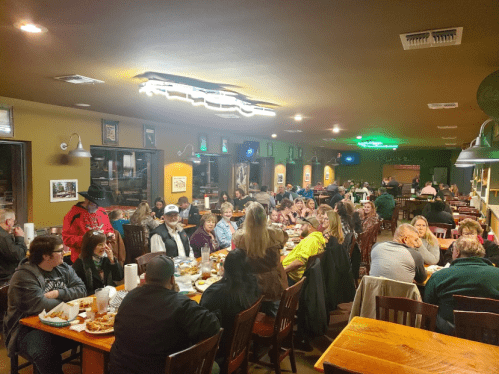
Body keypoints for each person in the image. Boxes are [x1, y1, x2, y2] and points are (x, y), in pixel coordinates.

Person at [109, 255, 220, 374]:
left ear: (145, 277)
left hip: (120, 368)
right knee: (214, 367)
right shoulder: (180, 304)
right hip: (160, 369)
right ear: (172, 279)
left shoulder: (128, 298)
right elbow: (213, 325)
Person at [3, 235, 86, 374]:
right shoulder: (24, 276)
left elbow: (81, 290)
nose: (64, 252)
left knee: (88, 337)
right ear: (46, 256)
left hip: (59, 323)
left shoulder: (63, 268)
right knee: (45, 351)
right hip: (26, 330)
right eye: (60, 250)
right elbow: (40, 304)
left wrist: (58, 293)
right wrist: (70, 303)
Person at [424, 237, 499, 335]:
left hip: (448, 334)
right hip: (491, 336)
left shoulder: (439, 276)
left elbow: (427, 306)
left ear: (457, 252)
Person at [200, 249, 260, 364]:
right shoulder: (253, 284)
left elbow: (202, 320)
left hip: (220, 346)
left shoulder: (216, 293)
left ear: (224, 268)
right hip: (241, 341)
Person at [233, 202, 288, 317]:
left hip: (251, 286)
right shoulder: (274, 233)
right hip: (274, 284)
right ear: (264, 217)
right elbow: (285, 238)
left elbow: (235, 243)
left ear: (247, 219)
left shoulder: (241, 237)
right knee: (274, 314)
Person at [62, 184, 115, 263]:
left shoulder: (102, 211)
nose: (97, 207)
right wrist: (89, 241)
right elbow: (67, 239)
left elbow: (108, 229)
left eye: (99, 204)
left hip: (103, 257)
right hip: (82, 259)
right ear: (87, 200)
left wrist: (110, 234)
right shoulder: (73, 215)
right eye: (95, 204)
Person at [72, 230, 124, 295]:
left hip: (110, 294)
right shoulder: (80, 263)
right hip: (92, 297)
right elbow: (81, 290)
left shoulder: (106, 258)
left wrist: (112, 260)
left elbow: (119, 277)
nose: (104, 247)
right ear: (90, 246)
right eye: (100, 244)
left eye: (104, 243)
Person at [282, 217, 326, 285]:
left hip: (290, 277)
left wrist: (283, 271)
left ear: (309, 226)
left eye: (303, 225)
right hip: (301, 277)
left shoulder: (310, 241)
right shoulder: (319, 238)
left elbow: (300, 262)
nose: (300, 228)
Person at [0, 209, 27, 284]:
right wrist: (20, 238)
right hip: (5, 279)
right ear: (8, 221)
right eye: (13, 221)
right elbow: (20, 256)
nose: (13, 224)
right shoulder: (4, 237)